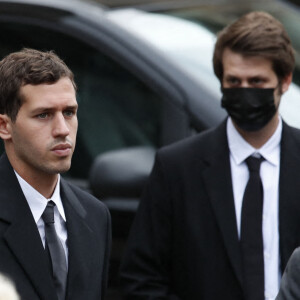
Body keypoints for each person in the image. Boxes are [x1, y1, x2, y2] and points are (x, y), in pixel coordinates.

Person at [119, 11, 300, 300]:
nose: (244, 93)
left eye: (256, 82)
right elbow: (141, 280)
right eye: (234, 82)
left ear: (285, 81)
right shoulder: (177, 167)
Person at [0, 48, 111, 300]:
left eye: (69, 112)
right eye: (43, 115)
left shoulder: (95, 216)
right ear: (5, 126)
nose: (62, 129)